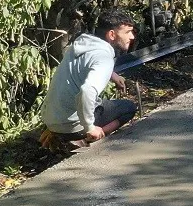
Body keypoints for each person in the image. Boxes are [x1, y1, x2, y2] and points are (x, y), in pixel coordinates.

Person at [38, 10, 140, 151]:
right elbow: (87, 91)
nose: (132, 36)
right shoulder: (103, 58)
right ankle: (87, 138)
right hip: (73, 126)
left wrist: (112, 74)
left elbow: (87, 64)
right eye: (128, 32)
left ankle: (58, 133)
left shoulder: (82, 45)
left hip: (51, 119)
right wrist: (89, 127)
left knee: (96, 102)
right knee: (128, 108)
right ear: (111, 35)